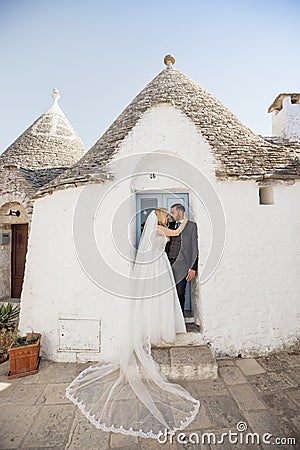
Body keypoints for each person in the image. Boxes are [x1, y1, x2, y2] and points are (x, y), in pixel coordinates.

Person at [65, 209, 200, 440]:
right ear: (158, 219)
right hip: (158, 267)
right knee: (158, 300)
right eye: (165, 214)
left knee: (157, 301)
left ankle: (156, 326)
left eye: (169, 214)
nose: (168, 217)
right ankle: (157, 328)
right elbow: (175, 233)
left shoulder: (157, 229)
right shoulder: (159, 229)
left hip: (159, 266)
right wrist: (185, 221)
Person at [165, 204, 199, 313]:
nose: (171, 215)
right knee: (168, 293)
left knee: (180, 292)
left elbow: (194, 247)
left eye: (173, 212)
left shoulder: (191, 226)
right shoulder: (169, 225)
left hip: (182, 265)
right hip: (167, 264)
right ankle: (169, 318)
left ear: (180, 213)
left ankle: (179, 319)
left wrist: (193, 267)